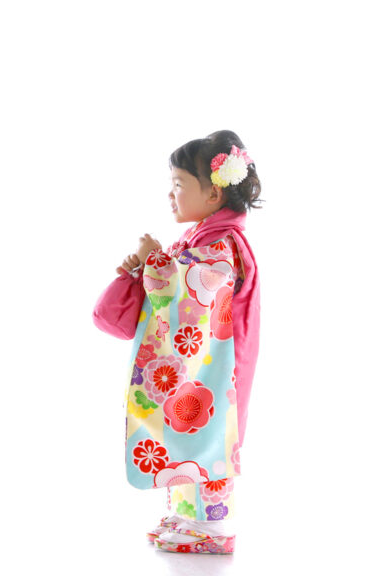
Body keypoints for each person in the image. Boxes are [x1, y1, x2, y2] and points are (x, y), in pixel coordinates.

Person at [92, 130, 262, 554]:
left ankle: (214, 527)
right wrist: (151, 263)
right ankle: (190, 518)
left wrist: (155, 260)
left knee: (211, 434)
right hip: (210, 362)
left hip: (222, 366)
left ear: (213, 193)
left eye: (179, 184)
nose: (171, 194)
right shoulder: (208, 236)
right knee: (189, 432)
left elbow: (189, 295)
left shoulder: (223, 243)